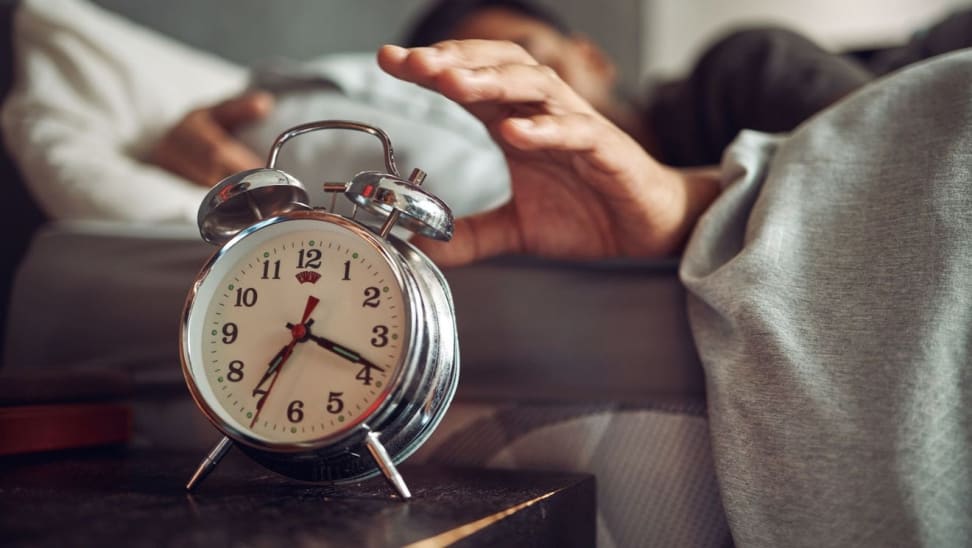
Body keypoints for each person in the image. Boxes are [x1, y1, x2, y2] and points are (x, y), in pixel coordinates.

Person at [376, 36, 972, 546]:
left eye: (529, 57)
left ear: (594, 58)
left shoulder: (731, 76)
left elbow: (880, 184)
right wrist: (686, 207)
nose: (502, 98)